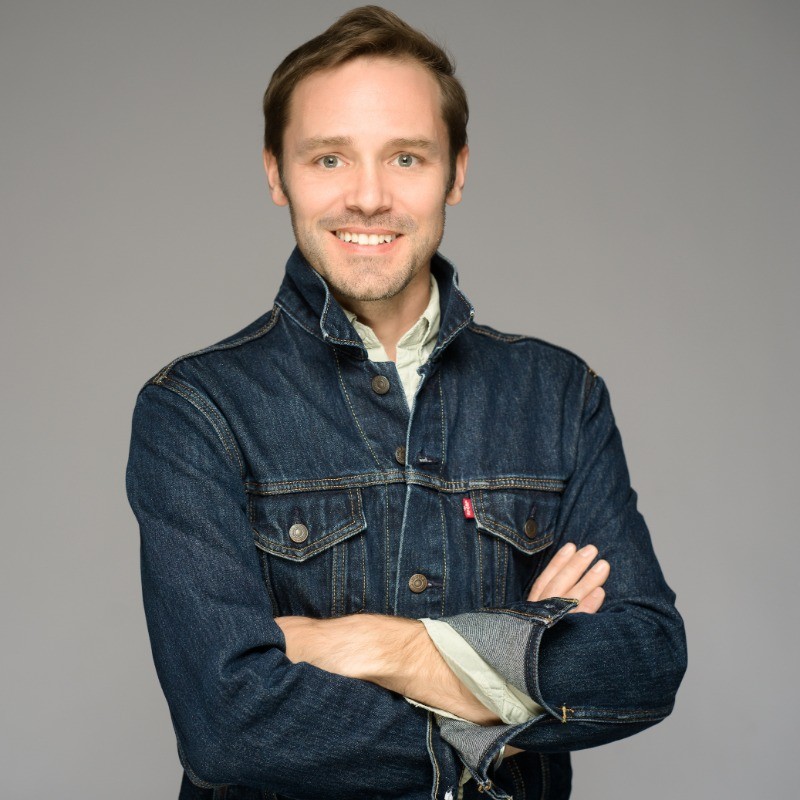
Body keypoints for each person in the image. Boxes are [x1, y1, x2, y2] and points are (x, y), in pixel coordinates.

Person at [126, 6, 687, 799]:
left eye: (406, 157)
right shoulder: (194, 410)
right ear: (274, 172)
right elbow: (228, 723)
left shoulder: (560, 396)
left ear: (457, 170)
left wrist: (378, 646)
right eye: (328, 159)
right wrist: (504, 677)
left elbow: (643, 661)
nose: (368, 197)